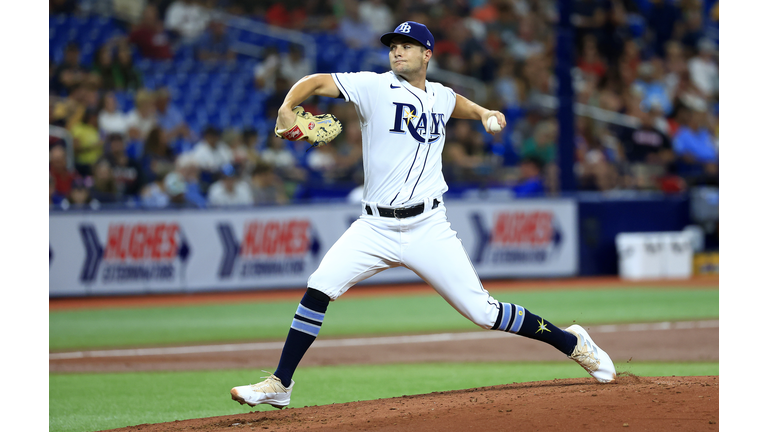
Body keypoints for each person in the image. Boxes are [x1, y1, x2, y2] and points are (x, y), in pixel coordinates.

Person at [230, 21, 616, 410]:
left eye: (407, 45)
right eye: (393, 45)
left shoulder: (441, 96)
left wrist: (483, 112)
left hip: (428, 226)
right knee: (318, 287)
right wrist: (285, 108)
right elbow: (315, 82)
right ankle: (281, 383)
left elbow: (454, 103)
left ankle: (573, 342)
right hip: (374, 226)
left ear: (427, 54)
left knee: (483, 312)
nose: (397, 51)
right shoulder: (373, 87)